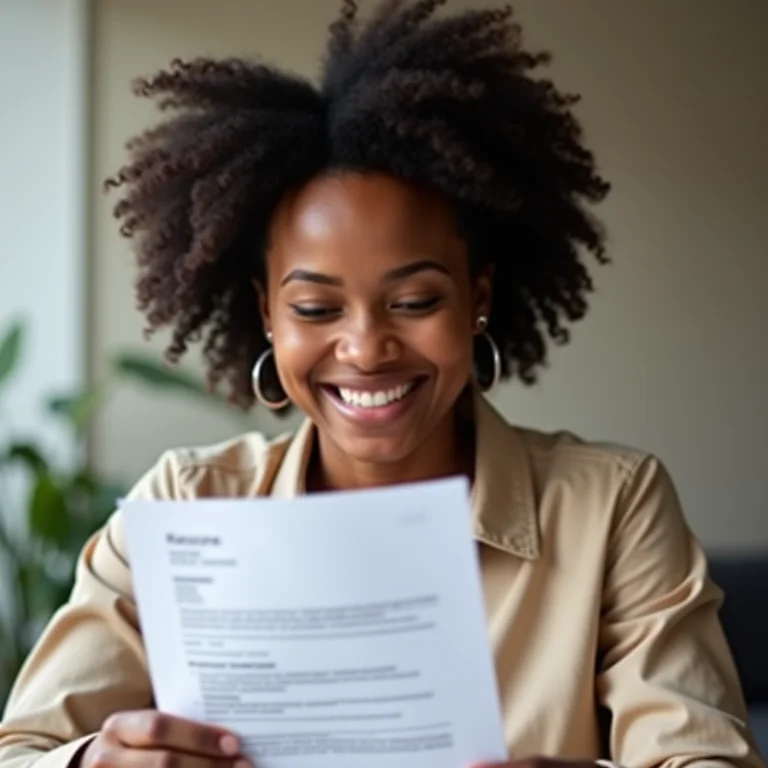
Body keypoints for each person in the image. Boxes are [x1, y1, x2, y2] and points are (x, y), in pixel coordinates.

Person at [0, 1, 763, 768]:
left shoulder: (611, 509)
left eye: (415, 301)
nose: (365, 348)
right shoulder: (182, 507)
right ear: (268, 313)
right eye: (315, 308)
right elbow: (23, 752)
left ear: (479, 299)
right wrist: (95, 761)